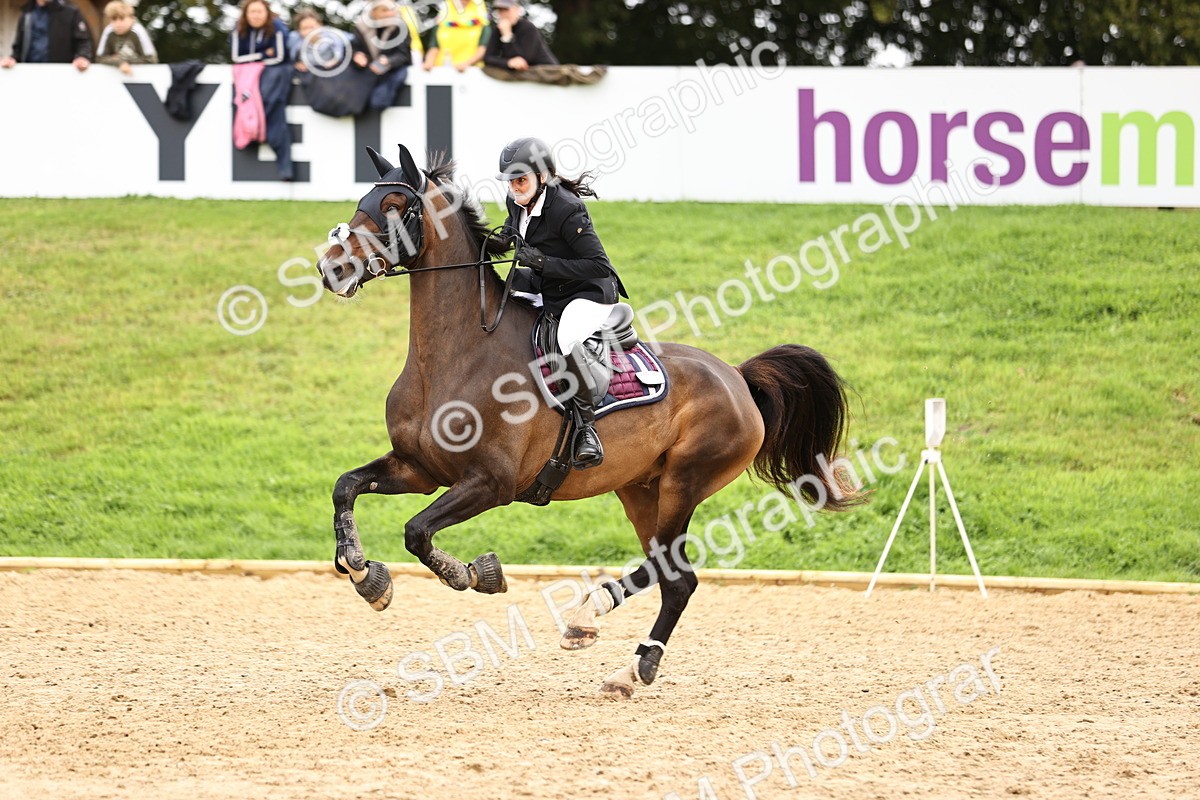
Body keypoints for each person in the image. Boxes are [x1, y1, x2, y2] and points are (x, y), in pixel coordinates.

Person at [497, 137, 628, 469]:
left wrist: (542, 263)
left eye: (521, 180)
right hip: (550, 286)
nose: (514, 188)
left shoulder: (566, 208)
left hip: (589, 291)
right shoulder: (518, 200)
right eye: (510, 181)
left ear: (542, 176)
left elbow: (600, 266)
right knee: (496, 295)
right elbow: (511, 235)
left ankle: (586, 428)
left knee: (564, 337)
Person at [231, 0, 293, 180]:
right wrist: (263, 55)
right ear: (246, 14)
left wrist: (254, 60)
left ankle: (285, 168)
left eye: (259, 11)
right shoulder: (239, 29)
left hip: (276, 74)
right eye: (252, 12)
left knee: (273, 108)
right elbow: (236, 56)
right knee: (243, 105)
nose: (256, 15)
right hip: (247, 75)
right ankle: (250, 135)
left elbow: (280, 57)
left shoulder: (278, 27)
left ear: (267, 12)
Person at [351, 0, 424, 112]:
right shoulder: (360, 27)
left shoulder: (400, 27)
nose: (390, 14)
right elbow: (355, 50)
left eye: (391, 10)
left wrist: (388, 61)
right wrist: (360, 58)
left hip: (392, 71)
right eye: (384, 10)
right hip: (368, 72)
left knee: (379, 101)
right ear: (374, 12)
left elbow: (404, 56)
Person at [1, 0, 92, 71]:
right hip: (30, 74)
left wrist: (82, 57)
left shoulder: (70, 12)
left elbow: (83, 42)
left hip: (61, 75)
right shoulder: (26, 14)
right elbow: (18, 48)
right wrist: (12, 59)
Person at [482, 0, 557, 72]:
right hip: (523, 78)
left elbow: (523, 61)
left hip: (547, 73)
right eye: (500, 10)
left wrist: (507, 36)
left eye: (506, 10)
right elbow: (488, 59)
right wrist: (507, 63)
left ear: (517, 10)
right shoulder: (498, 30)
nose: (503, 14)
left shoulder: (528, 28)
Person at [422, 0, 490, 73]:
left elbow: (483, 49)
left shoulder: (482, 21)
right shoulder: (442, 19)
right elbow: (434, 47)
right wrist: (429, 62)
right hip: (443, 70)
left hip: (471, 72)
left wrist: (466, 64)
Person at [96, 0, 157, 76]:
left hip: (140, 77)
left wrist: (125, 62)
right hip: (114, 78)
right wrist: (119, 63)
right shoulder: (108, 31)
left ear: (132, 18)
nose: (118, 24)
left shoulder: (138, 31)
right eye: (114, 19)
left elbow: (151, 60)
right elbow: (100, 58)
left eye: (122, 18)